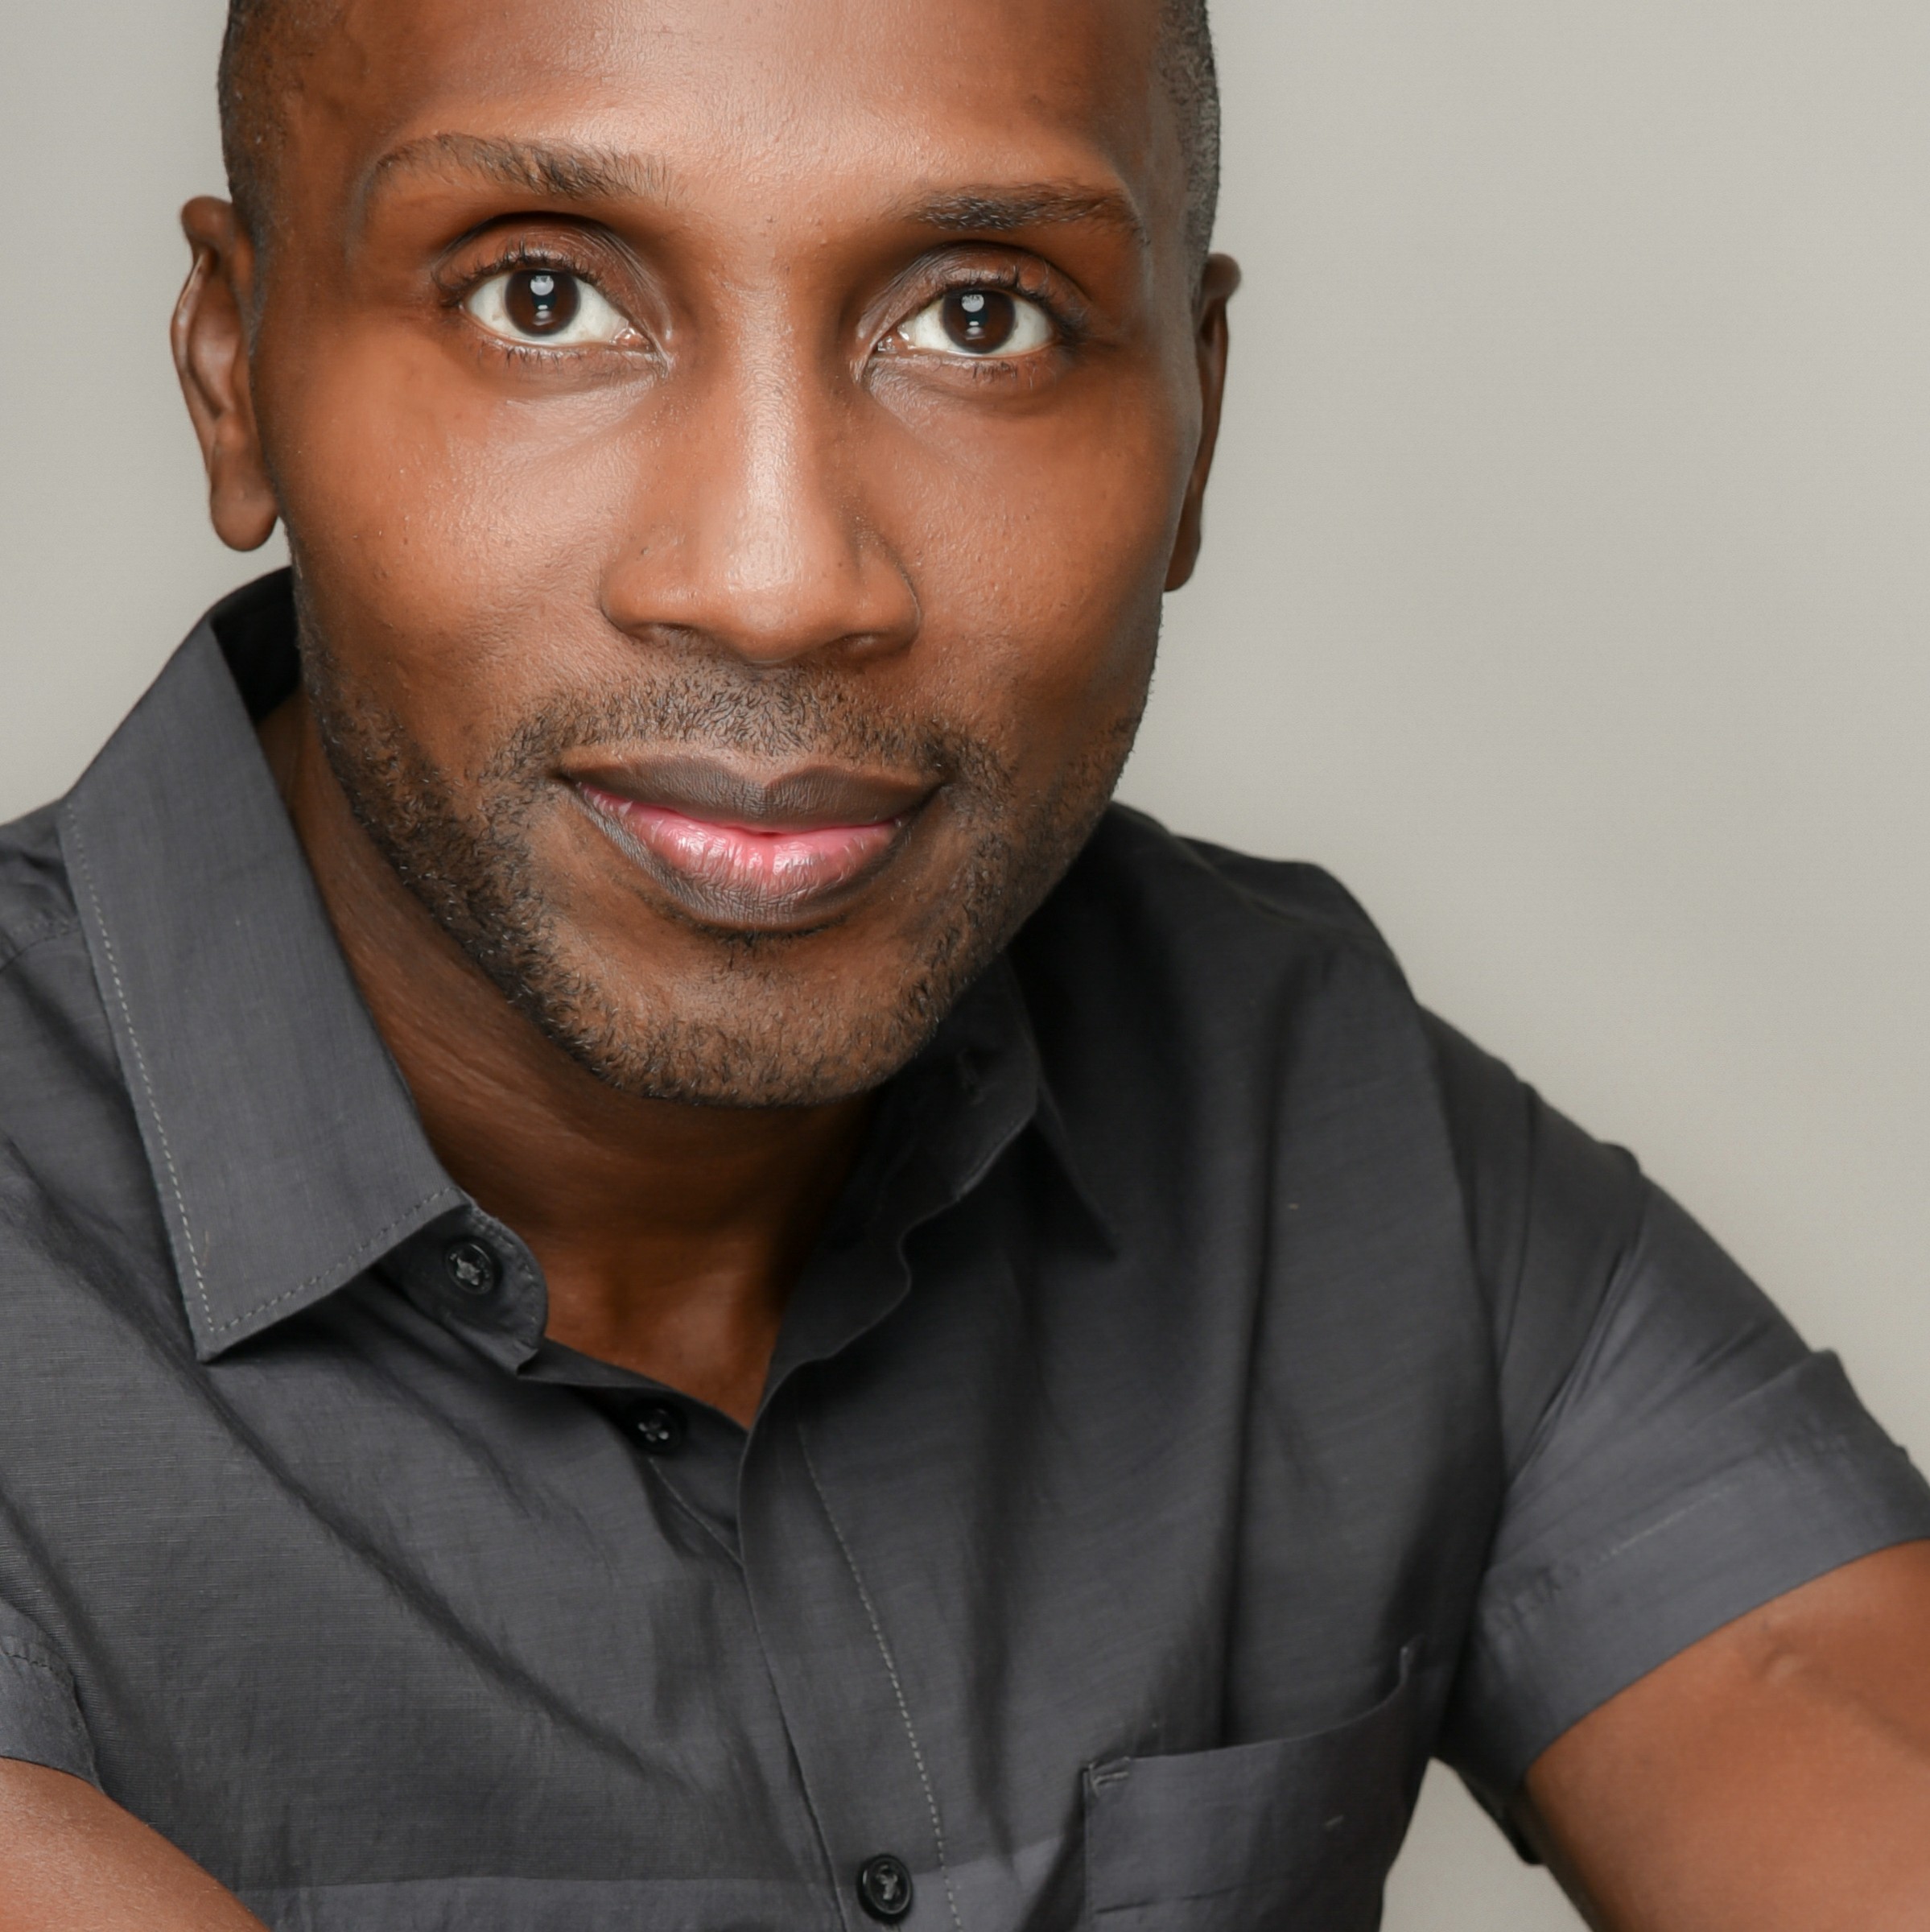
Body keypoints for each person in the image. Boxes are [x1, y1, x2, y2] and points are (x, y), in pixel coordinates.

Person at [1, 0, 1927, 1926]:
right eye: (538, 300)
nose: (780, 580)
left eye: (975, 318)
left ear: (1195, 414)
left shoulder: (1317, 1117)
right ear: (233, 368)